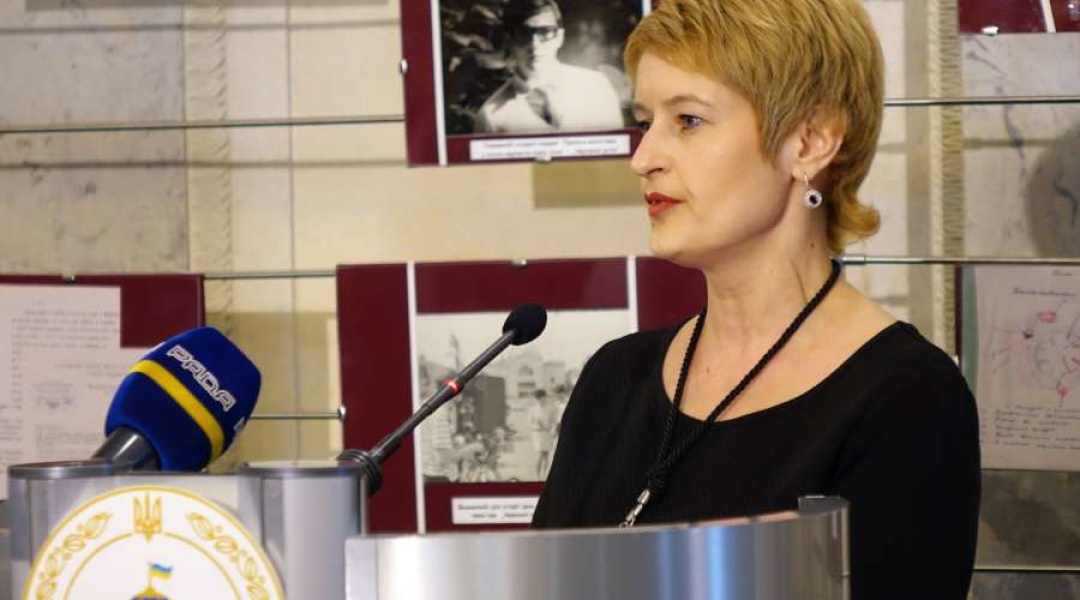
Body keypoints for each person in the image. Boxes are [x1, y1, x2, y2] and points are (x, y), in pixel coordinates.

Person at [530, 1, 981, 600]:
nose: (644, 158)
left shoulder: (906, 398)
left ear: (810, 142)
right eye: (645, 122)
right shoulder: (615, 378)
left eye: (688, 120)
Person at [472, 0, 625, 134]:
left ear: (559, 37)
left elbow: (619, 151)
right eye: (523, 33)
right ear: (509, 41)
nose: (534, 45)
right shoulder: (491, 116)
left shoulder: (596, 87)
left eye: (544, 32)